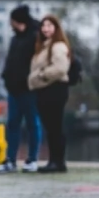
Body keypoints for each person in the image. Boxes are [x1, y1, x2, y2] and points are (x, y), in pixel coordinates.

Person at [0, 5, 42, 174]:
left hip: (29, 89)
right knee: (13, 124)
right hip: (13, 89)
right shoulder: (15, 39)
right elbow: (11, 61)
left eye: (12, 20)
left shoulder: (35, 37)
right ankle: (10, 160)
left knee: (32, 123)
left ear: (18, 21)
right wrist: (6, 77)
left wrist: (31, 80)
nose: (10, 23)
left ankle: (32, 159)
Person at [29, 15, 71, 173]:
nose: (45, 29)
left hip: (54, 89)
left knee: (55, 127)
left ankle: (58, 162)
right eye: (43, 26)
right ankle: (54, 161)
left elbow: (60, 68)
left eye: (49, 25)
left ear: (56, 28)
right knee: (51, 127)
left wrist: (42, 75)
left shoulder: (57, 46)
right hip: (45, 91)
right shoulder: (43, 47)